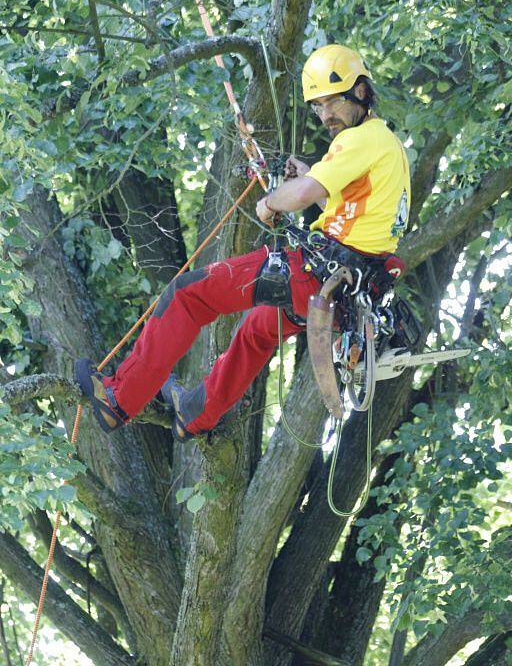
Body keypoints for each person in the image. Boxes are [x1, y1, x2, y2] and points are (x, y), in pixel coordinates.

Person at [75, 44, 411, 441]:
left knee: (190, 294)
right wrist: (310, 176)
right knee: (257, 330)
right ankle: (196, 413)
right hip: (343, 293)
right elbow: (349, 206)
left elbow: (303, 195)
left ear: (360, 91)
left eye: (332, 102)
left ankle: (118, 400)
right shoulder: (386, 146)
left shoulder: (361, 139)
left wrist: (271, 201)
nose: (325, 116)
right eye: (318, 107)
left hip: (317, 273)